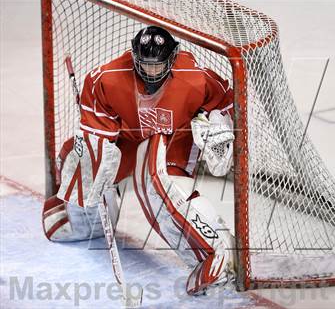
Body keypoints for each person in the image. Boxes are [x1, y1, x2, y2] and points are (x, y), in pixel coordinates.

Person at [42, 26, 235, 295]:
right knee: (81, 160)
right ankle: (84, 221)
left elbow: (226, 100)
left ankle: (217, 252)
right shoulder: (107, 79)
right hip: (127, 138)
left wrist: (217, 123)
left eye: (158, 66)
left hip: (173, 139)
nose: (151, 72)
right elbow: (96, 136)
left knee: (159, 190)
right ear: (133, 57)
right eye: (145, 64)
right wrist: (98, 157)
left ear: (173, 58)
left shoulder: (195, 79)